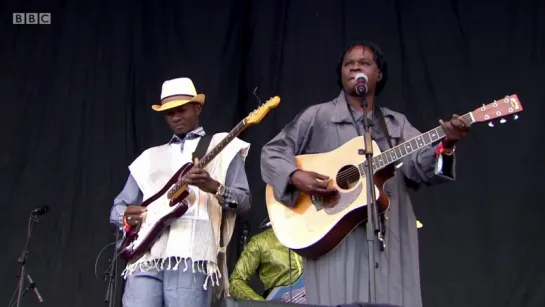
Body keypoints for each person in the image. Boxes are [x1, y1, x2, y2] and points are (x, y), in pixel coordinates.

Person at [260, 41, 471, 307]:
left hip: (389, 235)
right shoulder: (317, 117)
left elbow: (420, 168)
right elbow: (272, 153)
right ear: (341, 74)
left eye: (364, 63)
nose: (356, 67)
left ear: (378, 74)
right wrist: (295, 176)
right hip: (333, 239)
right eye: (349, 64)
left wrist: (446, 145)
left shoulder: (396, 124)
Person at [109, 77, 252, 307]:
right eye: (169, 113)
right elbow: (118, 207)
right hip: (145, 256)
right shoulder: (148, 157)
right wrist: (126, 216)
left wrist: (213, 187)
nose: (175, 117)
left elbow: (244, 203)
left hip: (191, 257)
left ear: (197, 108)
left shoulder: (224, 146)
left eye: (181, 110)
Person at [229, 227, 305, 303]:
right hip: (279, 299)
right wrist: (263, 304)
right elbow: (235, 281)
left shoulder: (311, 234)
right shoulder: (260, 241)